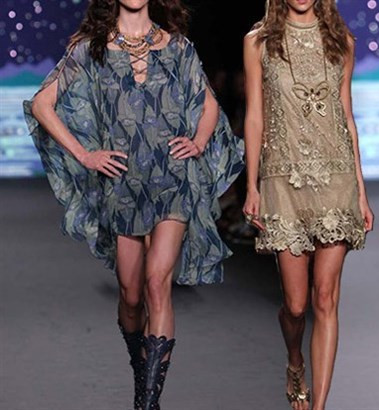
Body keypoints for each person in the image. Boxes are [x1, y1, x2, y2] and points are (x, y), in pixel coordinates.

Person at [23, 0, 243, 408]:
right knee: (130, 295)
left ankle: (147, 400)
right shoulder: (92, 48)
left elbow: (209, 102)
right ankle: (142, 368)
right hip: (122, 184)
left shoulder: (176, 46)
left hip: (173, 179)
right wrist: (85, 155)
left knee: (158, 283)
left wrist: (198, 142)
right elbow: (41, 104)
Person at [242, 0, 374, 408]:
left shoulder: (341, 40)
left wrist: (360, 190)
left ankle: (319, 405)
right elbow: (254, 116)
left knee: (325, 298)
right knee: (296, 306)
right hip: (283, 182)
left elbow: (346, 117)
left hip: (337, 180)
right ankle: (295, 360)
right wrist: (252, 186)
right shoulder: (259, 41)